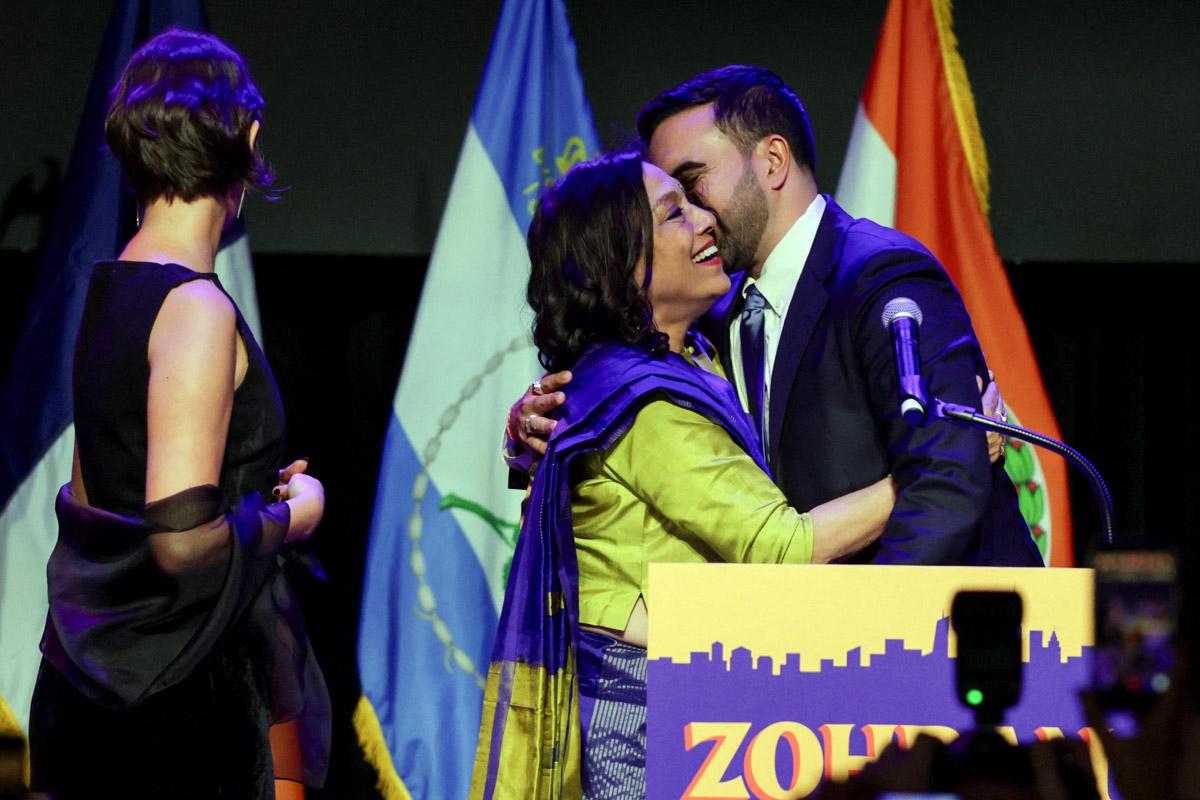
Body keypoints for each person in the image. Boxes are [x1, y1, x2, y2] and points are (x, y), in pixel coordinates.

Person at [473, 150, 899, 800]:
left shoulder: (693, 356)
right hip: (640, 715)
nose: (706, 221)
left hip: (689, 695)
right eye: (676, 211)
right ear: (624, 266)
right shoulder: (644, 405)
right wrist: (925, 472)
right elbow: (781, 548)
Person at [511, 65, 1042, 568]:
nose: (693, 215)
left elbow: (945, 484)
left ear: (772, 162)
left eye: (691, 183)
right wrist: (538, 422)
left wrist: (864, 635)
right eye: (672, 205)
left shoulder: (882, 277)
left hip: (936, 640)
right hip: (792, 645)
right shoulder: (710, 316)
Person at [28, 29, 329, 799]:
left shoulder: (110, 288)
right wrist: (294, 515)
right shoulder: (193, 308)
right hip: (170, 700)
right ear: (249, 139)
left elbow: (103, 494)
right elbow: (177, 543)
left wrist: (250, 491)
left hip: (88, 675)